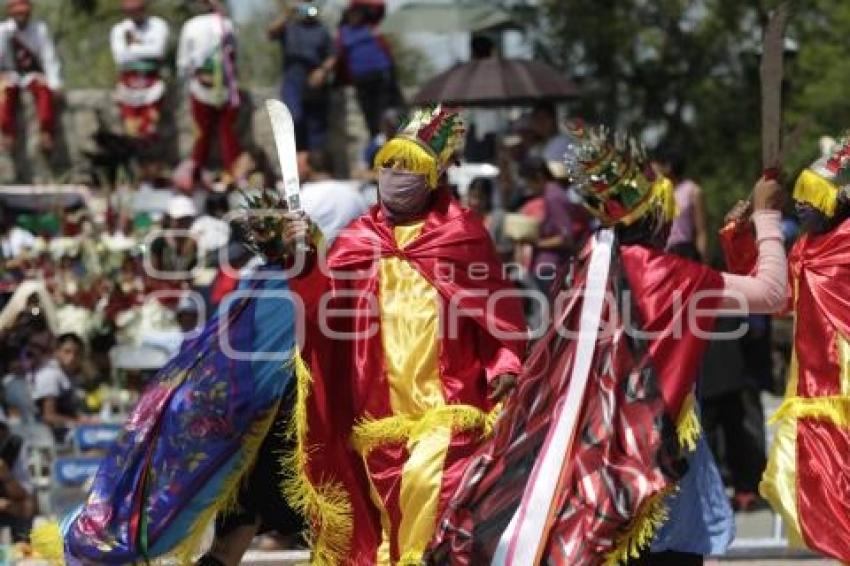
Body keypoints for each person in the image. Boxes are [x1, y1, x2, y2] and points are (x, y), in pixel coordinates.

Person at [427, 124, 787, 565]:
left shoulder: (586, 265)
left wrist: (738, 232)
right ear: (655, 215)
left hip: (592, 461)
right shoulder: (670, 275)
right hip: (650, 460)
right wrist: (768, 215)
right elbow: (772, 293)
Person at [32, 181, 365, 565]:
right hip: (268, 426)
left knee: (238, 531)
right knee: (246, 528)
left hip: (250, 425)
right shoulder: (305, 281)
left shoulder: (272, 275)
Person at [285, 106, 527, 564]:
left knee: (429, 489)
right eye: (389, 165)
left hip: (449, 405)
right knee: (391, 529)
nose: (396, 175)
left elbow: (498, 312)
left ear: (433, 177)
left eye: (410, 167)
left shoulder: (461, 233)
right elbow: (322, 306)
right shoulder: (357, 237)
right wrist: (301, 257)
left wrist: (506, 364)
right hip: (377, 412)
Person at [723, 136, 850, 562]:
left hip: (845, 379)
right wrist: (743, 237)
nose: (800, 205)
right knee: (820, 483)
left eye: (810, 198)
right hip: (813, 382)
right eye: (797, 197)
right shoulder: (803, 248)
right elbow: (774, 296)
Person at [176, 0, 240, 182]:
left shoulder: (226, 25)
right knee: (202, 133)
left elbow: (233, 55)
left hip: (225, 87)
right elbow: (184, 61)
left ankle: (233, 172)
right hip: (200, 87)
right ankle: (197, 172)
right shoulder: (191, 26)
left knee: (226, 131)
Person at [267, 1, 335, 152]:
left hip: (315, 78)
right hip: (293, 76)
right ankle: (297, 159)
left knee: (316, 125)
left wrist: (323, 70)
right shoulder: (289, 26)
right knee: (294, 118)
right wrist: (288, 13)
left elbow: (333, 55)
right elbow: (270, 33)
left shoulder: (321, 29)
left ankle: (314, 164)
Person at [0, 0, 61, 153]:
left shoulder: (40, 30)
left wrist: (56, 83)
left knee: (44, 89)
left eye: (24, 12)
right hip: (10, 74)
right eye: (18, 12)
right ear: (11, 13)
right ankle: (7, 134)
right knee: (4, 92)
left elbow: (49, 57)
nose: (22, 16)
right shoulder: (3, 31)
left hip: (32, 74)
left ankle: (46, 132)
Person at [336, 3, 401, 138]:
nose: (355, 16)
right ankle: (377, 142)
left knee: (386, 111)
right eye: (352, 14)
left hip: (382, 73)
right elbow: (340, 57)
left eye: (358, 13)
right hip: (361, 78)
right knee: (370, 115)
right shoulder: (343, 32)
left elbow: (380, 5)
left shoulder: (371, 26)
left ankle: (394, 137)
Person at [109, 0, 170, 142]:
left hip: (152, 83)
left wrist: (133, 48)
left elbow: (158, 51)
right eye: (130, 10)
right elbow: (120, 57)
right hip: (128, 84)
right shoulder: (119, 29)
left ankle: (151, 160)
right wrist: (145, 49)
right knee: (131, 129)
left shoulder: (158, 26)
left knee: (151, 126)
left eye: (138, 9)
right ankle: (137, 159)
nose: (134, 14)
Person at [655, 148, 709, 261]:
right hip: (664, 254)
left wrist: (703, 261)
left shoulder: (692, 190)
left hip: (685, 252)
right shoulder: (658, 193)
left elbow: (701, 231)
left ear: (668, 166)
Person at [31, 333, 86, 443]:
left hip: (66, 429)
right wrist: (78, 422)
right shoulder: (50, 375)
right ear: (57, 352)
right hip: (50, 435)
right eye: (67, 352)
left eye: (76, 353)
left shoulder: (67, 374)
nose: (72, 357)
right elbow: (48, 416)